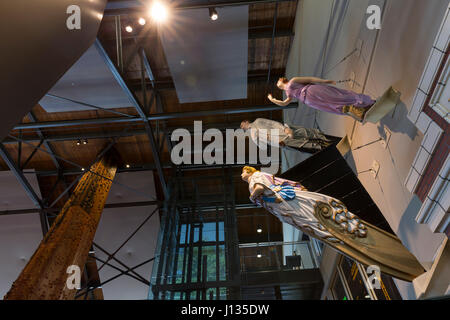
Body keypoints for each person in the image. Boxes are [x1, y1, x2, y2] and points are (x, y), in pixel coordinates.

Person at [241, 166, 425, 282]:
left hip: (288, 203)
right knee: (320, 226)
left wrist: (252, 197)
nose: (242, 174)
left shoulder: (256, 178)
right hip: (286, 208)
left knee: (321, 223)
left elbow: (260, 189)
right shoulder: (257, 178)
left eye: (243, 171)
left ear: (249, 171)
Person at [268, 76, 375, 122]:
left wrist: (326, 81)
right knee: (334, 102)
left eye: (278, 80)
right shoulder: (288, 93)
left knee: (335, 100)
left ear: (282, 81)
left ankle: (362, 105)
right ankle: (359, 108)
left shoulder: (292, 81)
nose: (277, 82)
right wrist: (273, 100)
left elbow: (310, 79)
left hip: (310, 95)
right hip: (311, 98)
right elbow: (284, 103)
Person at [240, 118, 340, 153]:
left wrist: (285, 128)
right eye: (241, 127)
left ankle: (334, 141)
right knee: (306, 147)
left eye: (242, 125)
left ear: (246, 121)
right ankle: (333, 149)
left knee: (308, 134)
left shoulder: (258, 121)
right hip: (282, 142)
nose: (242, 127)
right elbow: (263, 147)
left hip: (284, 132)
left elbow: (272, 123)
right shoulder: (253, 136)